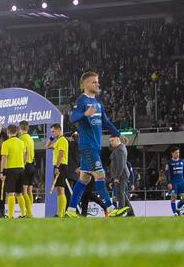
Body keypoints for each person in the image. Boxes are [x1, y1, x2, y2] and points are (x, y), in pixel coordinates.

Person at [64, 72, 129, 218]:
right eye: (94, 82)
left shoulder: (98, 103)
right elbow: (73, 117)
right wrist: (84, 114)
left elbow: (106, 122)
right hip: (87, 146)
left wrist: (118, 134)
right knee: (100, 175)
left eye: (97, 81)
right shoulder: (82, 100)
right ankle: (111, 208)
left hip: (94, 145)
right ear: (86, 84)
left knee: (84, 179)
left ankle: (71, 210)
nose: (97, 84)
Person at [0, 125, 27, 219]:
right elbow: (25, 154)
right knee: (19, 193)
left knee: (10, 193)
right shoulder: (22, 143)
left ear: (8, 132)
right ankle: (23, 213)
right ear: (16, 132)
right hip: (21, 169)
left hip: (11, 170)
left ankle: (10, 215)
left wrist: (2, 172)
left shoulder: (6, 143)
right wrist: (23, 164)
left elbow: (4, 158)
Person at [46, 124, 69, 217]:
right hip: (59, 166)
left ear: (59, 130)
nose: (52, 133)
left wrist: (57, 167)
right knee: (60, 190)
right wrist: (52, 137)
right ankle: (61, 212)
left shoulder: (62, 140)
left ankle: (60, 213)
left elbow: (61, 154)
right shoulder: (58, 141)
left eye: (53, 131)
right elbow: (47, 146)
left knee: (60, 189)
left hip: (61, 166)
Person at [109, 136, 131, 214]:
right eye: (110, 141)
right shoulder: (119, 148)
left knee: (120, 192)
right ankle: (129, 212)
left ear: (118, 140)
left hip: (121, 175)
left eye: (112, 140)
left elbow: (120, 165)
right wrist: (113, 179)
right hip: (120, 174)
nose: (111, 143)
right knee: (121, 193)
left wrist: (117, 177)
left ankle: (121, 210)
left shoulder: (120, 149)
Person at [17, 121, 35, 218]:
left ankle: (27, 212)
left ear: (20, 128)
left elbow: (25, 152)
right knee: (29, 191)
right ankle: (29, 211)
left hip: (25, 165)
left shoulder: (22, 138)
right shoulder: (30, 138)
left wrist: (22, 165)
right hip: (32, 165)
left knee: (23, 191)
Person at [165, 147, 184, 216]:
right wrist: (169, 182)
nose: (177, 154)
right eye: (176, 153)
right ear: (172, 153)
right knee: (173, 197)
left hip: (181, 182)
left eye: (178, 152)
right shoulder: (169, 162)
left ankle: (178, 208)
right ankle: (175, 213)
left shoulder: (182, 161)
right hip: (173, 182)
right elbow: (167, 173)